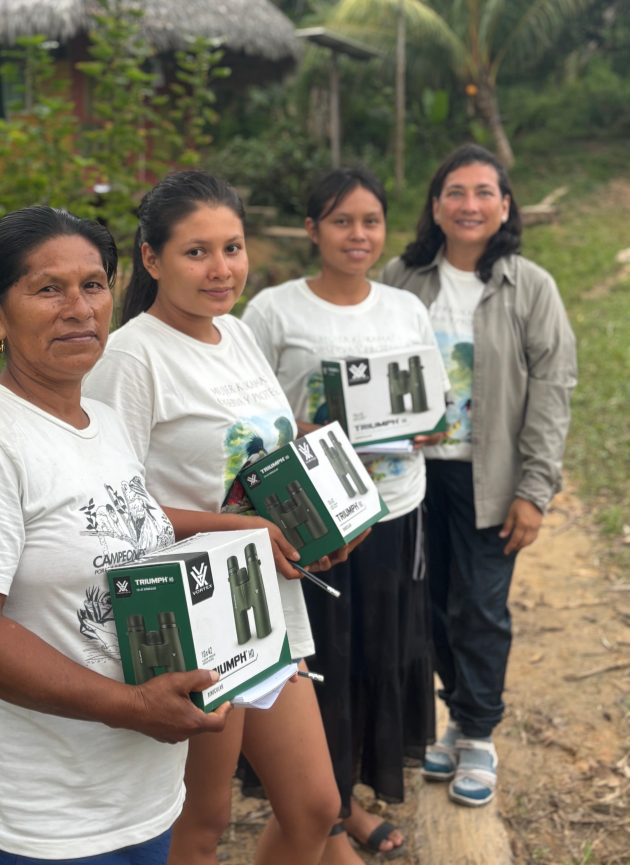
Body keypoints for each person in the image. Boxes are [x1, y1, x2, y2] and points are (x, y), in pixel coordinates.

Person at [0, 207, 231, 865]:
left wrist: (238, 527)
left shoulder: (104, 422)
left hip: (143, 791)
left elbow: (120, 526)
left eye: (93, 284)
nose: (79, 308)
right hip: (47, 813)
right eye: (47, 289)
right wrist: (131, 706)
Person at [82, 171, 344, 865]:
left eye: (232, 247)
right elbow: (113, 510)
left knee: (314, 806)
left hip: (267, 599)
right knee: (203, 820)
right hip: (196, 614)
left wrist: (321, 519)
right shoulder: (130, 356)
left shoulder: (235, 333)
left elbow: (263, 462)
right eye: (197, 252)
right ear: (151, 259)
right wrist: (242, 530)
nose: (221, 268)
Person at [243, 166, 448, 863]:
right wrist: (303, 428)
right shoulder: (272, 311)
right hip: (312, 525)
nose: (357, 235)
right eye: (340, 221)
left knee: (377, 654)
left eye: (370, 221)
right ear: (312, 230)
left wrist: (424, 425)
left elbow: (433, 403)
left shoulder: (403, 309)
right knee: (321, 661)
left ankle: (347, 798)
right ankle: (331, 819)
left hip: (394, 509)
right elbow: (247, 410)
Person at [380, 144, 577, 808]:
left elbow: (553, 386)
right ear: (435, 206)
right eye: (455, 192)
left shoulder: (531, 286)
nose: (469, 205)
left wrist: (535, 488)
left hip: (489, 477)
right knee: (429, 606)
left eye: (483, 192)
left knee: (481, 608)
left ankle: (480, 734)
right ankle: (455, 717)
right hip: (409, 478)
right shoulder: (401, 279)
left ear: (505, 206)